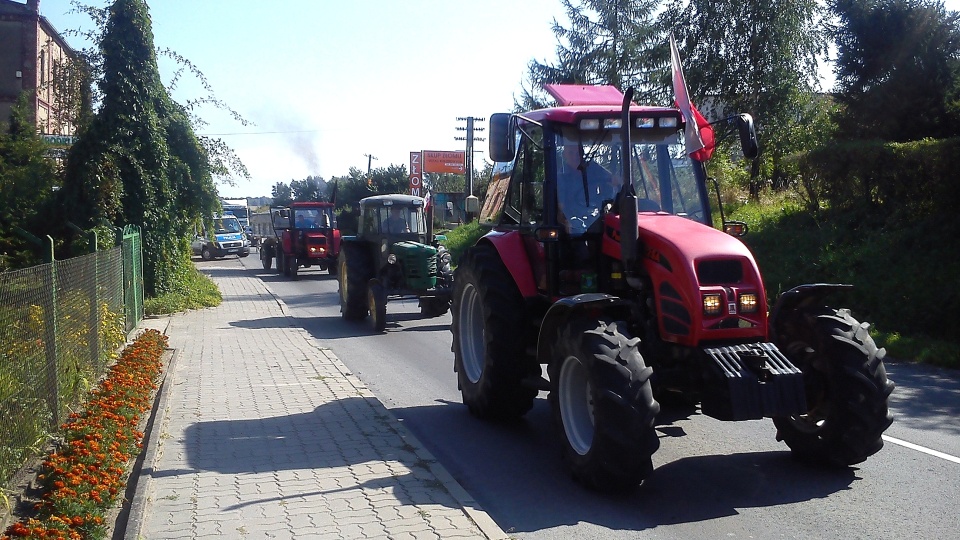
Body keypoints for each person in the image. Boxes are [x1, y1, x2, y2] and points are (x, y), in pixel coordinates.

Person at [557, 144, 615, 234]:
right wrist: (565, 220)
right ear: (565, 155)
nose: (575, 156)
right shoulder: (561, 176)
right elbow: (561, 207)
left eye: (578, 153)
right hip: (573, 218)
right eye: (571, 153)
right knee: (577, 232)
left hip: (595, 213)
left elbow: (613, 180)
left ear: (582, 154)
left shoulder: (593, 168)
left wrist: (608, 201)